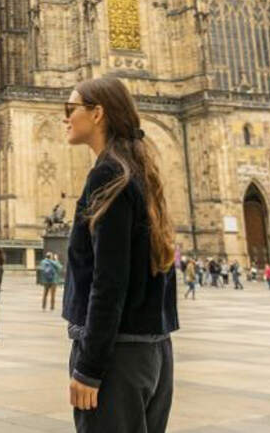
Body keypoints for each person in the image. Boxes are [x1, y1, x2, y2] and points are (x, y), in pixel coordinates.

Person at [62, 74, 177, 433]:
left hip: (117, 358)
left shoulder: (109, 175)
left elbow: (108, 282)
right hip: (153, 351)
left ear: (97, 114)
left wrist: (90, 367)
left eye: (71, 108)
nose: (65, 117)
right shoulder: (138, 170)